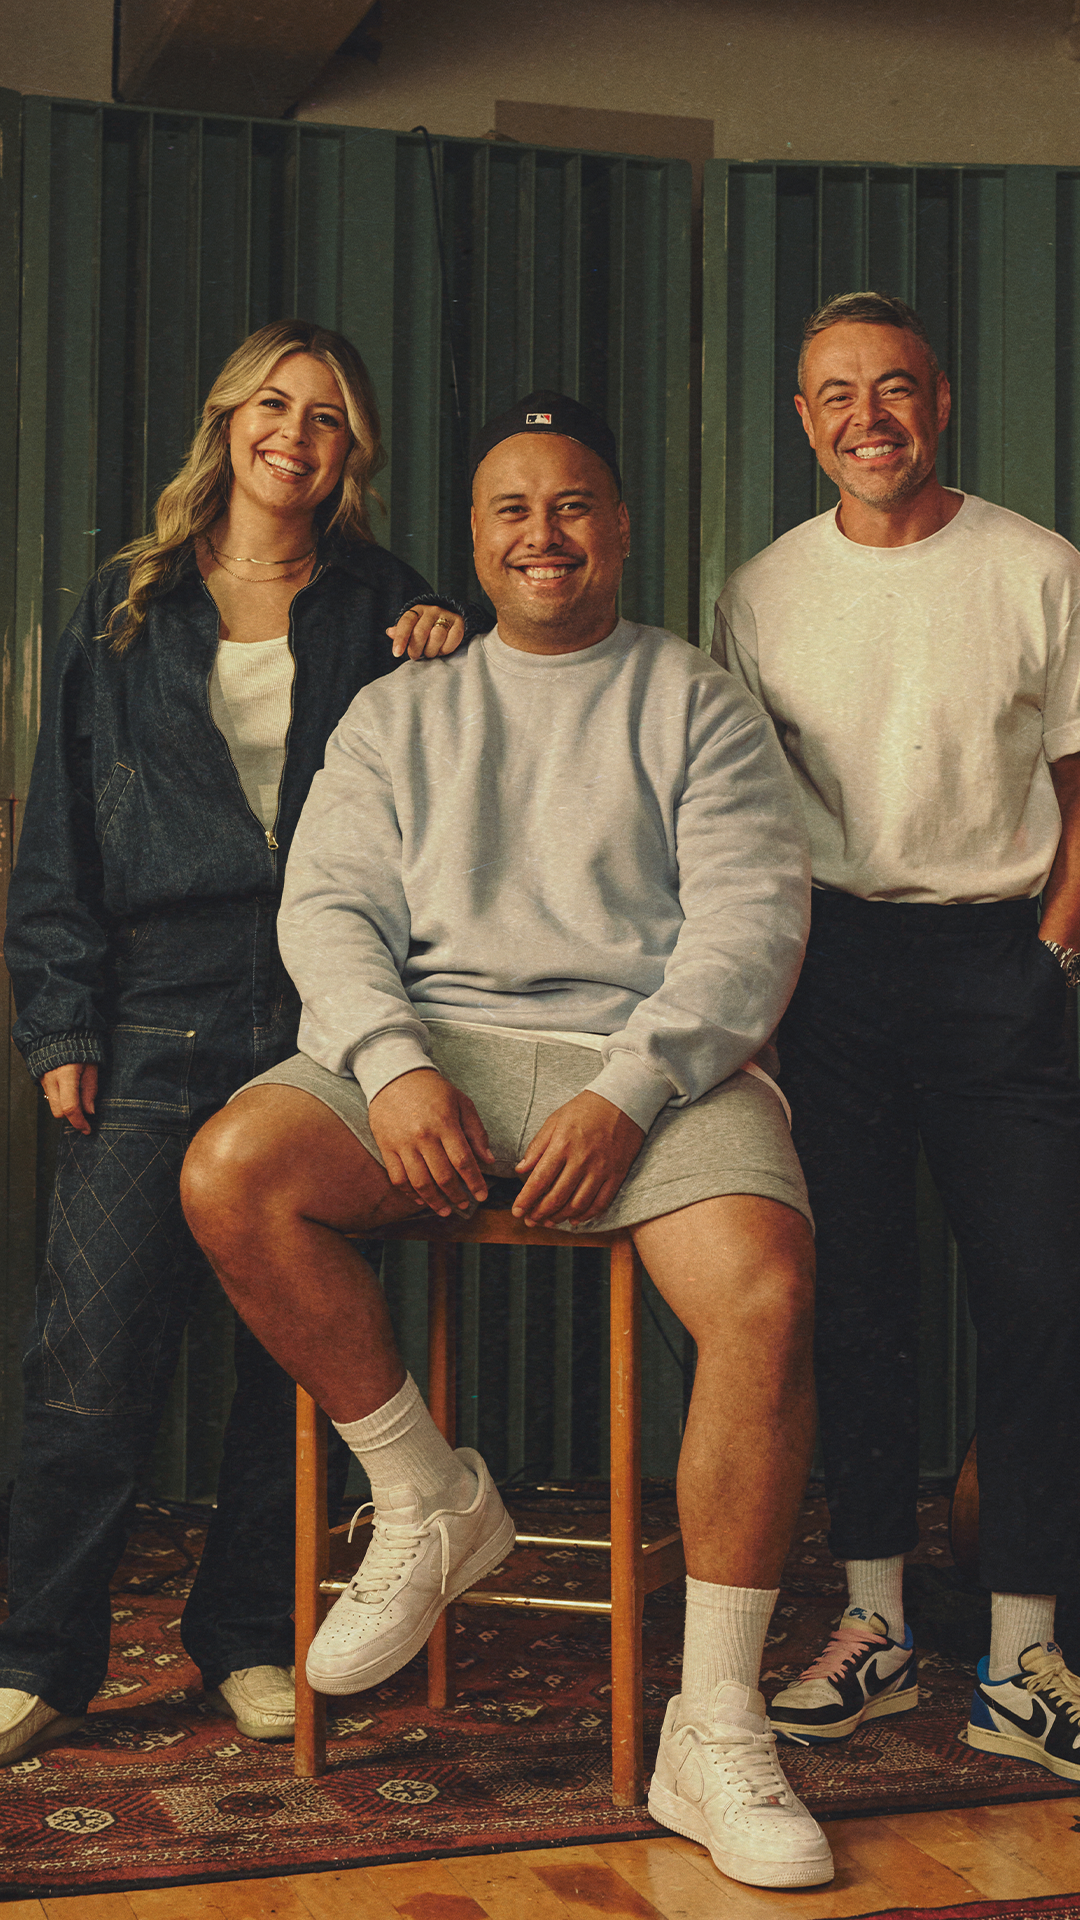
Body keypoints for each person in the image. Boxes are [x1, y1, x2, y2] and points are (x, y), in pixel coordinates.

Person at [181, 390, 836, 1893]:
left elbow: (750, 923)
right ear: (471, 540)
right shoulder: (404, 709)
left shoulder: (694, 701)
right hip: (443, 1052)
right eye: (511, 510)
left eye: (575, 504)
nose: (546, 534)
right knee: (233, 1173)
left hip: (648, 1059)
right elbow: (328, 911)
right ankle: (427, 1496)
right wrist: (396, 1066)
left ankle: (717, 1726)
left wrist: (636, 1085)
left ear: (621, 524)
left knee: (767, 1290)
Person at [0, 317, 472, 1767]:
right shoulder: (123, 609)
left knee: (297, 1355)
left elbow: (459, 796)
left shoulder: (390, 605)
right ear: (229, 421)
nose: (296, 431)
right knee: (89, 1355)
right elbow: (60, 835)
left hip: (330, 1015)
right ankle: (36, 1658)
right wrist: (61, 1015)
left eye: (328, 414)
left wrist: (460, 648)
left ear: (352, 452)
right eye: (275, 402)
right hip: (151, 1008)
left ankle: (249, 1640)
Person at [714, 292, 1080, 1779]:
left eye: (897, 388)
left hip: (1005, 954)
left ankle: (1026, 1655)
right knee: (854, 1303)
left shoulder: (1040, 568)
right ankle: (872, 1625)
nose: (870, 416)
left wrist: (1051, 955)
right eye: (836, 394)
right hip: (834, 966)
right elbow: (738, 820)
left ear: (942, 401)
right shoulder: (762, 590)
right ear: (803, 421)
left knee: (1042, 1300)